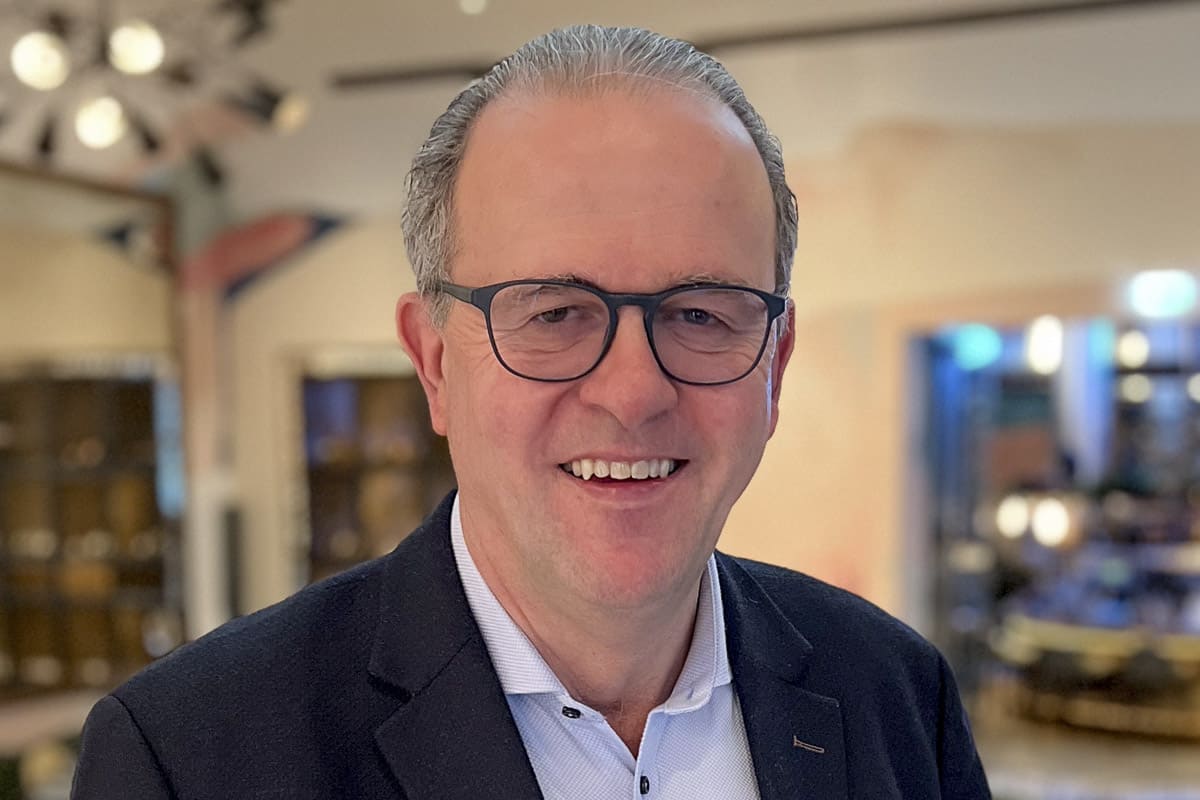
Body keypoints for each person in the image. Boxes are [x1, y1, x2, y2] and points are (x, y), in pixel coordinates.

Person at [72, 24, 990, 799]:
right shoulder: (188, 760)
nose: (632, 393)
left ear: (774, 368)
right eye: (554, 314)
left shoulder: (898, 695)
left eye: (701, 314)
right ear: (435, 362)